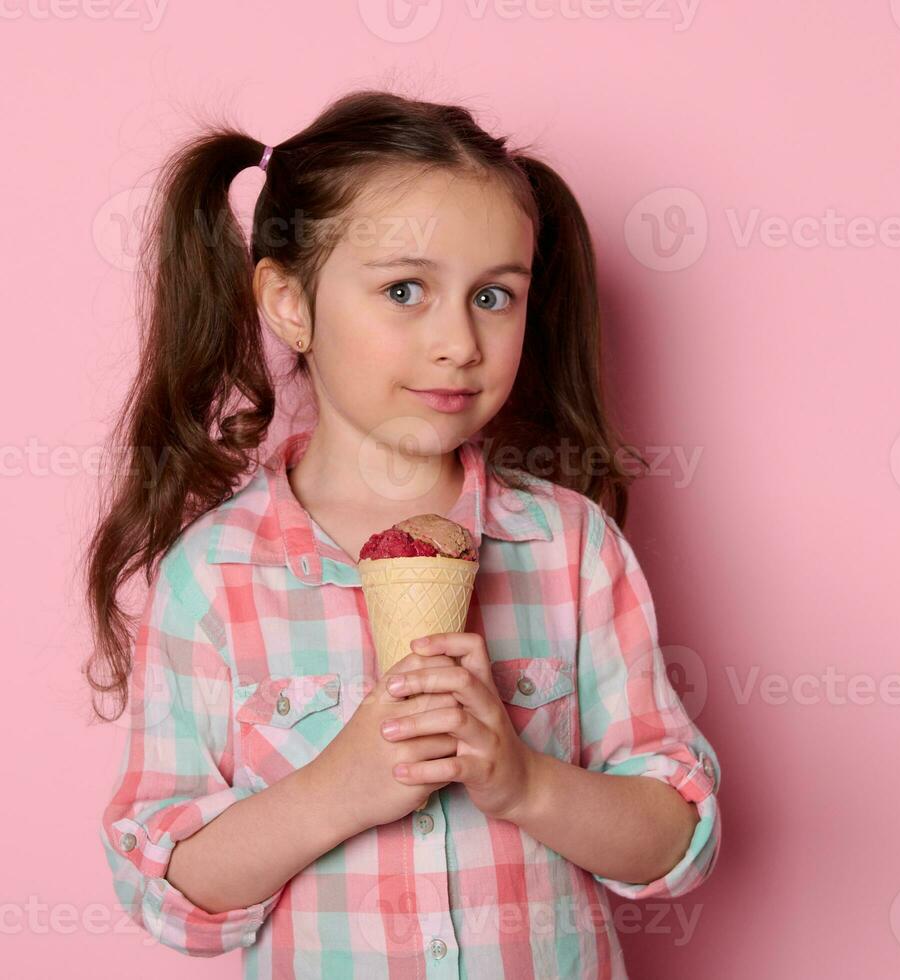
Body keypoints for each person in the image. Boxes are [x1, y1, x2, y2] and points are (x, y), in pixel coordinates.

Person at [84, 89, 720, 977]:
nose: (459, 340)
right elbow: (171, 890)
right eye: (405, 290)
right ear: (289, 304)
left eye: (494, 295)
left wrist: (526, 782)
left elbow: (675, 839)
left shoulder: (569, 548)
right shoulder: (214, 575)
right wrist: (332, 794)